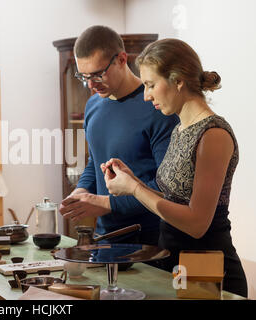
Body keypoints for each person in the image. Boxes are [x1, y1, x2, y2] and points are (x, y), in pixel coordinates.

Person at [102, 38, 247, 297]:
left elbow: (197, 223)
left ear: (178, 80)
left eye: (150, 85)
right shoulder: (180, 129)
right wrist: (133, 181)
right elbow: (176, 202)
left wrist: (135, 189)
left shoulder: (213, 134)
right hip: (178, 263)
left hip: (208, 268)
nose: (146, 95)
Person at [59, 25, 179, 249]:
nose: (91, 85)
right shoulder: (93, 105)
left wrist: (107, 203)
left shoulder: (157, 107)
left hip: (151, 243)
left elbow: (167, 190)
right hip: (105, 239)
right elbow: (96, 161)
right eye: (83, 77)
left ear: (122, 59)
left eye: (97, 75)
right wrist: (81, 191)